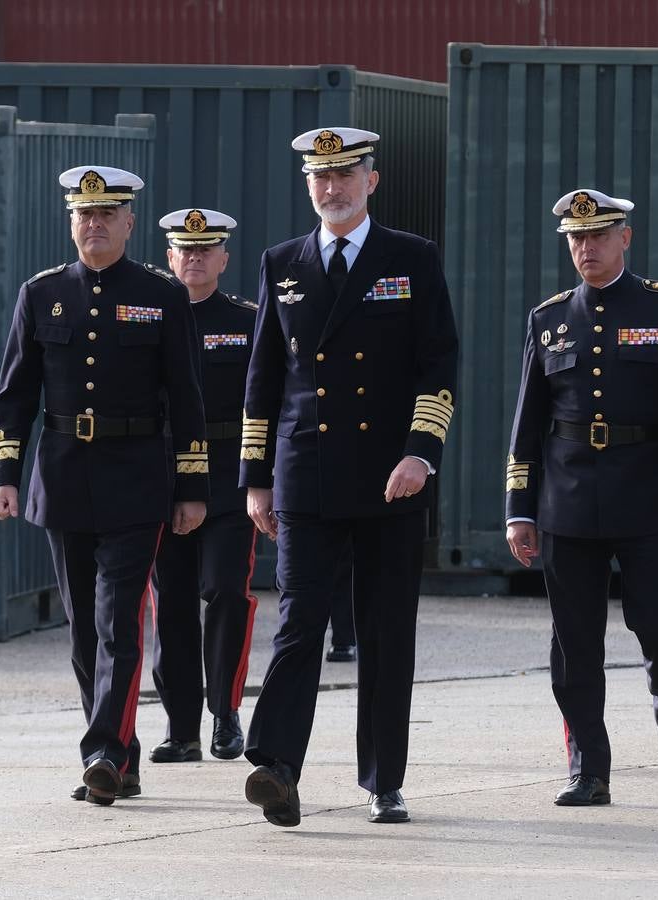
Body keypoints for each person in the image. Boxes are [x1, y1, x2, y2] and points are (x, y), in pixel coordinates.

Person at [238, 127, 459, 827]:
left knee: (386, 633)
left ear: (372, 180)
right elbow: (263, 379)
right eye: (318, 177)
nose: (330, 188)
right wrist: (256, 477)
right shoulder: (284, 263)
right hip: (306, 472)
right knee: (299, 622)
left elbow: (437, 367)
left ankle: (382, 780)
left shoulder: (411, 259)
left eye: (343, 175)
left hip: (390, 478)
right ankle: (275, 766)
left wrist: (421, 453)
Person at [0, 166, 208, 805]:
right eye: (84, 214)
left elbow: (187, 399)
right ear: (71, 221)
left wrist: (192, 486)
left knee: (119, 622)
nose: (94, 224)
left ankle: (104, 751)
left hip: (137, 478)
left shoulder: (161, 295)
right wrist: (5, 473)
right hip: (61, 477)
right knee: (83, 625)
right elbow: (14, 394)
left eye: (107, 214)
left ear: (129, 222)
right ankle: (123, 754)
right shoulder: (41, 293)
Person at [504, 188, 658, 808]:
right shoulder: (549, 319)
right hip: (567, 500)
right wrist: (520, 508)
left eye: (598, 236)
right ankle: (588, 766)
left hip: (648, 496)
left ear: (626, 237)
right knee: (574, 643)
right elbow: (526, 423)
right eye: (576, 237)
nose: (586, 247)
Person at [146, 208, 259, 764]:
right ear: (169, 258)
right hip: (162, 480)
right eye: (183, 250)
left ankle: (226, 712)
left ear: (223, 259)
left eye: (205, 249)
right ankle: (181, 727)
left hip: (228, 481)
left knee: (224, 593)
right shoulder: (148, 318)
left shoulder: (247, 320)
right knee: (170, 606)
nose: (193, 258)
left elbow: (270, 401)